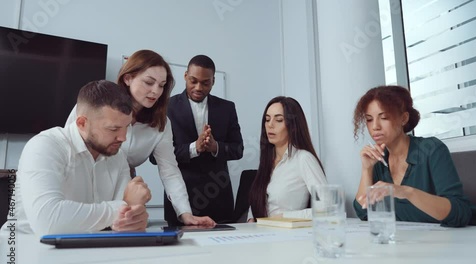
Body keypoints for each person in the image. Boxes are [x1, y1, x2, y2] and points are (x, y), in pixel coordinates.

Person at [66, 50, 215, 227]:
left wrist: (185, 214)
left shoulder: (161, 123)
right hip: (80, 188)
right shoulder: (94, 105)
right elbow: (68, 147)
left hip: (124, 197)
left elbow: (170, 171)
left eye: (162, 85)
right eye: (149, 82)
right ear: (128, 78)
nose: (156, 91)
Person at [1, 80, 151, 236]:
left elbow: (123, 217)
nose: (123, 138)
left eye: (127, 127)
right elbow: (48, 222)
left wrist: (135, 218)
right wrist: (124, 205)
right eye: (113, 129)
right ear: (81, 123)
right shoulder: (45, 146)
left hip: (85, 250)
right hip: (25, 250)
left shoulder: (117, 156)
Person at [353, 85, 476, 227]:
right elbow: (364, 212)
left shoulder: (431, 149)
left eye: (384, 117)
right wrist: (366, 169)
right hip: (419, 242)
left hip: (471, 237)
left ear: (404, 118)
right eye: (369, 119)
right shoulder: (379, 160)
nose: (375, 126)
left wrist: (406, 192)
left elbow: (459, 213)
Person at [166, 55, 244, 224]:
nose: (198, 87)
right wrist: (195, 148)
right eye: (193, 81)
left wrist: (216, 147)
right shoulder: (166, 107)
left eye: (205, 82)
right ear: (185, 76)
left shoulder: (227, 108)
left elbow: (238, 150)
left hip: (219, 200)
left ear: (214, 81)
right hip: (181, 202)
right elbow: (155, 157)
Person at [247, 96, 327, 221]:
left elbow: (327, 207)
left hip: (288, 235)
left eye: (279, 120)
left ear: (293, 126)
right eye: (267, 120)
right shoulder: (267, 162)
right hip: (261, 234)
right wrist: (251, 220)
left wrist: (283, 217)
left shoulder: (303, 159)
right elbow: (258, 202)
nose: (270, 125)